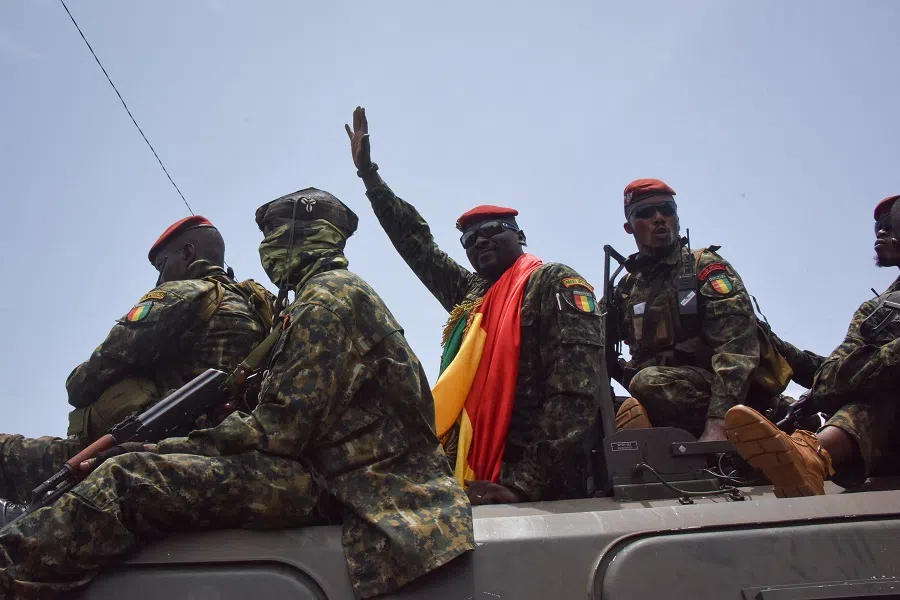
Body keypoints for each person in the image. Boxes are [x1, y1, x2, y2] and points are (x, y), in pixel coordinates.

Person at [0, 189, 474, 599]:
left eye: (274, 238)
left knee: (128, 478)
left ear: (302, 239)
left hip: (350, 487)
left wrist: (156, 449)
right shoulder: (309, 301)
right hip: (341, 474)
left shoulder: (327, 301)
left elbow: (278, 430)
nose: (266, 252)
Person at [346, 106, 605, 504]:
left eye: (491, 231)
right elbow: (417, 245)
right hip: (481, 468)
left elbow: (575, 390)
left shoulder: (551, 282)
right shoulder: (472, 293)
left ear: (521, 235)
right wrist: (370, 177)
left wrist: (525, 484)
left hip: (543, 481)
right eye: (469, 239)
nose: (479, 241)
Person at [0, 216, 272, 514]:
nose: (159, 278)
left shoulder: (182, 295)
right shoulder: (259, 307)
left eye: (161, 265)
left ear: (187, 253)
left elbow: (81, 384)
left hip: (142, 448)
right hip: (212, 449)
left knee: (7, 454)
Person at [725, 195, 900, 496]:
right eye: (877, 227)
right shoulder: (877, 309)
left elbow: (852, 374)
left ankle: (813, 456)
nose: (881, 233)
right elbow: (832, 374)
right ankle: (808, 456)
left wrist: (869, 370)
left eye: (890, 224)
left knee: (878, 393)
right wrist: (770, 342)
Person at [608, 178, 785, 442]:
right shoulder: (625, 288)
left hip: (724, 391)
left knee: (647, 383)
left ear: (677, 217)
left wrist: (719, 424)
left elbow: (737, 348)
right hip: (663, 393)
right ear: (629, 227)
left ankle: (761, 419)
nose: (659, 218)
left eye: (667, 210)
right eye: (645, 213)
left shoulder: (703, 266)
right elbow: (592, 337)